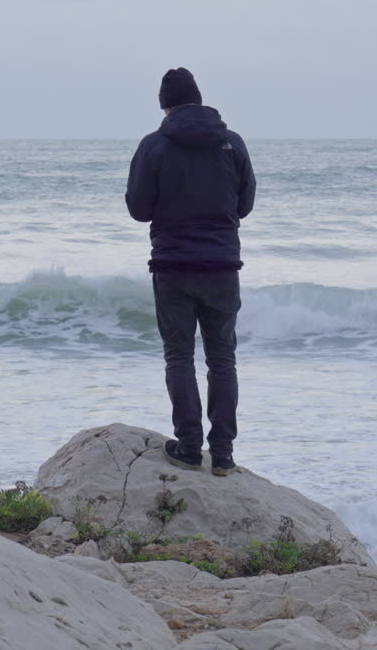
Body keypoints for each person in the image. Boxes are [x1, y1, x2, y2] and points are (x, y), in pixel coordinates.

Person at [125, 67, 256, 477]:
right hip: (222, 265)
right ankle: (223, 454)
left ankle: (188, 447)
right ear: (198, 99)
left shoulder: (154, 146)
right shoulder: (232, 143)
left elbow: (138, 209)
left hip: (173, 266)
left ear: (165, 105)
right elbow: (245, 204)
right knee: (222, 359)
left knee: (179, 357)